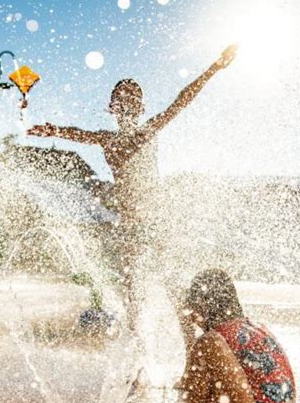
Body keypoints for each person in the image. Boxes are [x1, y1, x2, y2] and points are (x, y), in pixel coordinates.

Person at [27, 45, 238, 327]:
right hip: (129, 226)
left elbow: (182, 100)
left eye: (132, 99)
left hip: (158, 220)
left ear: (140, 108)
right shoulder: (106, 139)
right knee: (132, 295)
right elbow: (78, 135)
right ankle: (138, 357)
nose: (126, 105)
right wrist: (53, 131)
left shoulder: (149, 129)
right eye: (120, 99)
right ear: (113, 108)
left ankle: (190, 352)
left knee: (173, 288)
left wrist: (215, 67)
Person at [150, 269, 296, 403]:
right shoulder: (247, 328)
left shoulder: (219, 339)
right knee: (207, 346)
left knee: (207, 343)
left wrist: (188, 334)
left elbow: (194, 384)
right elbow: (208, 393)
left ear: (202, 305)